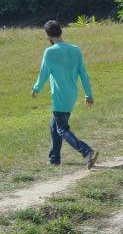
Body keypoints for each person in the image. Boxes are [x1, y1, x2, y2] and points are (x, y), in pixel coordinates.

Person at [32, 20, 98, 169]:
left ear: (48, 35)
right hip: (71, 95)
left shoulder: (49, 52)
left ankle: (86, 151)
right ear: (60, 31)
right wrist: (88, 94)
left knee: (62, 129)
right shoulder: (75, 50)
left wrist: (36, 88)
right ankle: (54, 158)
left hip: (59, 97)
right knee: (54, 126)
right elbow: (84, 75)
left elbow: (43, 73)